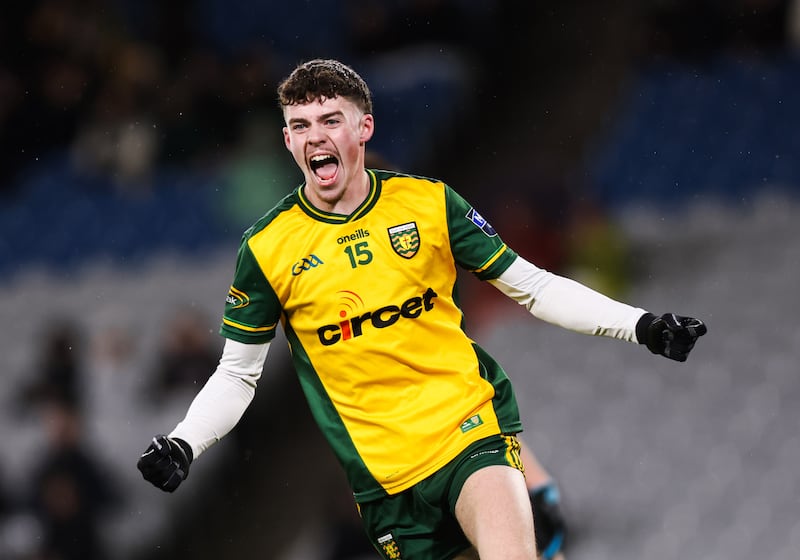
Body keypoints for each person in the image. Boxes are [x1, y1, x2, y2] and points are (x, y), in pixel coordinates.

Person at [137, 59, 707, 560]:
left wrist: (640, 325)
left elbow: (532, 287)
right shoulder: (266, 250)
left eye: (330, 120)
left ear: (364, 128)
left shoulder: (429, 204)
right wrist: (185, 442)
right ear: (287, 140)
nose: (315, 137)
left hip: (468, 435)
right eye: (301, 126)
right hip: (386, 486)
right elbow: (238, 375)